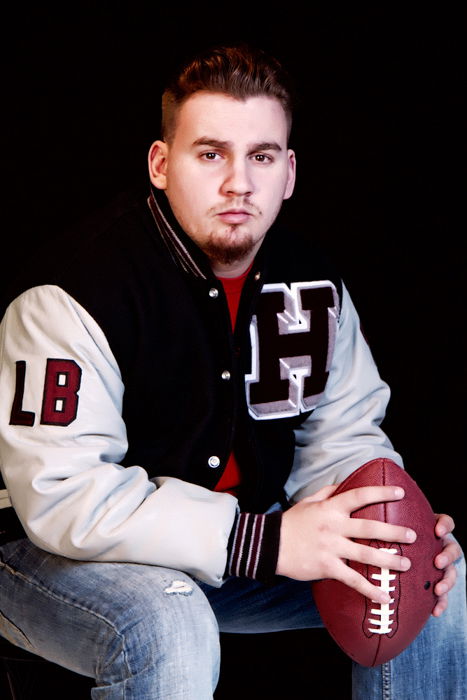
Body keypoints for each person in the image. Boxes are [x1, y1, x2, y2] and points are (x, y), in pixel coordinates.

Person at [0, 43, 465, 699]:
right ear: (161, 164)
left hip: (241, 548)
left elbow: (344, 438)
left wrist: (388, 522)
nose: (238, 183)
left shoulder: (312, 286)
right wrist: (265, 542)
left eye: (262, 156)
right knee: (169, 620)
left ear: (289, 171)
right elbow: (62, 499)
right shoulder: (76, 292)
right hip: (45, 558)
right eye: (210, 153)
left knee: (418, 573)